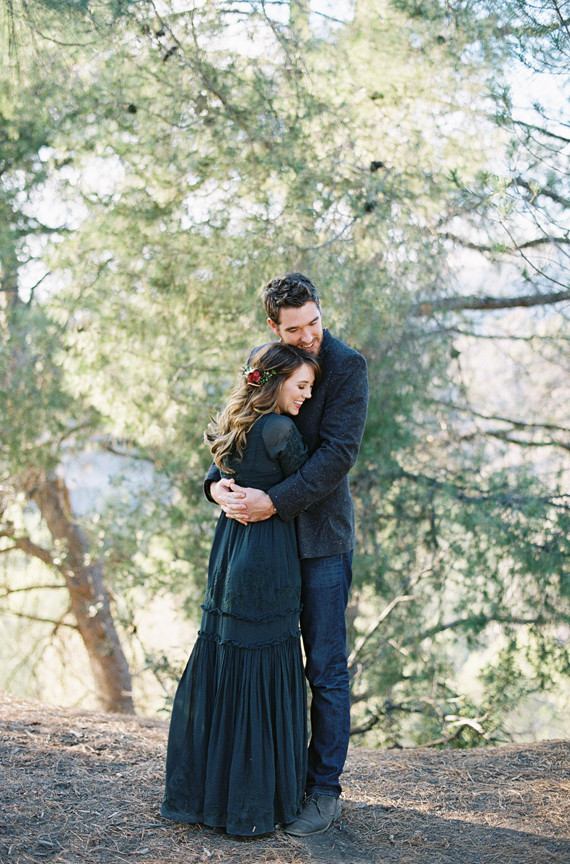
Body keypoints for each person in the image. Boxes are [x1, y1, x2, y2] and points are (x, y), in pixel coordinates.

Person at [205, 273, 369, 836]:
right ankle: (270, 784)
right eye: (294, 329)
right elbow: (240, 426)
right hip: (263, 548)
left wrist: (272, 502)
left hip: (319, 541)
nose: (308, 337)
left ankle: (324, 791)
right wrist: (215, 485)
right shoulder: (266, 360)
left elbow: (336, 457)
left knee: (323, 667)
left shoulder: (348, 367)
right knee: (265, 662)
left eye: (314, 323)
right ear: (273, 327)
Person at [161, 341, 320, 836]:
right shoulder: (279, 429)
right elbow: (311, 484)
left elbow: (218, 476)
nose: (308, 396)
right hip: (266, 554)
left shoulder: (239, 424)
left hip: (229, 551)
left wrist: (221, 489)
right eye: (301, 386)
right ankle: (255, 806)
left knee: (228, 656)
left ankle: (208, 797)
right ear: (274, 383)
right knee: (264, 660)